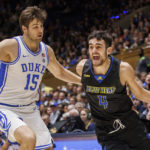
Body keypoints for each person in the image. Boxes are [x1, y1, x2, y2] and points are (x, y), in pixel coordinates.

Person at [0, 6, 81, 150]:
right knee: (28, 139)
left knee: (47, 147)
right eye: (35, 27)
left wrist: (83, 82)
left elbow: (60, 72)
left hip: (29, 109)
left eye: (41, 26)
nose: (40, 30)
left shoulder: (46, 51)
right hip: (5, 106)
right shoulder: (10, 46)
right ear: (24, 29)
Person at [76, 30, 150, 150]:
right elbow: (63, 73)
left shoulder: (122, 69)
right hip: (108, 132)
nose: (94, 51)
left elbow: (140, 93)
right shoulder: (82, 68)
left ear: (109, 50)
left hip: (129, 125)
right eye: (91, 47)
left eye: (98, 47)